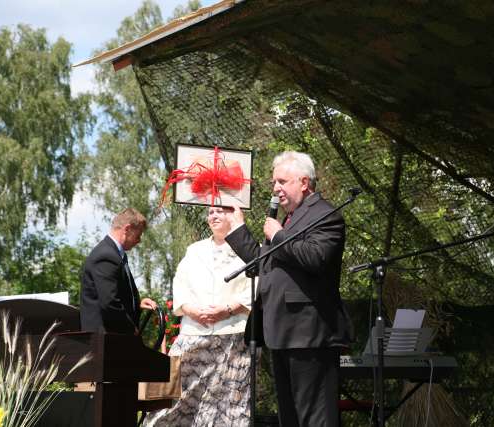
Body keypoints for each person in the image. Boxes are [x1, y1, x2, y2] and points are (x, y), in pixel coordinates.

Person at [226, 151, 352, 427]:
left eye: (282, 181)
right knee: (289, 418)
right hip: (280, 331)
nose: (275, 188)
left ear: (304, 182)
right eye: (274, 182)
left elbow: (316, 258)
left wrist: (278, 235)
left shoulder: (325, 214)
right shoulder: (290, 219)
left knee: (316, 419)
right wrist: (237, 228)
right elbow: (266, 263)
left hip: (310, 335)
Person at [143, 206, 252, 427]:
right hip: (193, 332)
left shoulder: (250, 248)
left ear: (233, 214)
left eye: (220, 211)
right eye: (210, 212)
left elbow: (258, 286)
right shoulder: (194, 250)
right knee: (172, 395)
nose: (214, 216)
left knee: (228, 404)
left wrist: (227, 309)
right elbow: (180, 284)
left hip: (233, 335)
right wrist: (191, 310)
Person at [80, 207, 157, 334]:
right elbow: (110, 303)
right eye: (138, 235)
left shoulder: (115, 254)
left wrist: (136, 303)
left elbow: (116, 295)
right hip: (104, 339)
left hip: (110, 337)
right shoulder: (106, 256)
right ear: (127, 229)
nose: (139, 241)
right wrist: (131, 329)